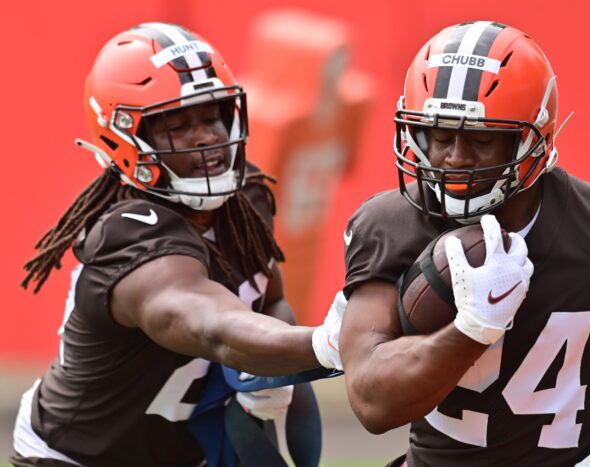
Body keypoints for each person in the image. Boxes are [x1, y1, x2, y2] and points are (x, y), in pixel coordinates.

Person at [338, 20, 590, 466]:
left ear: (533, 139)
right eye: (440, 135)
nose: (455, 158)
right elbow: (372, 403)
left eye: (482, 138)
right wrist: (473, 329)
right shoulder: (392, 223)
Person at [11, 22, 342, 467]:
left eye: (211, 115)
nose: (206, 137)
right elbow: (211, 324)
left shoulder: (246, 200)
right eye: (176, 125)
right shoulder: (130, 235)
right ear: (126, 137)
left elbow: (270, 299)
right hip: (80, 455)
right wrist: (331, 342)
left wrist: (274, 360)